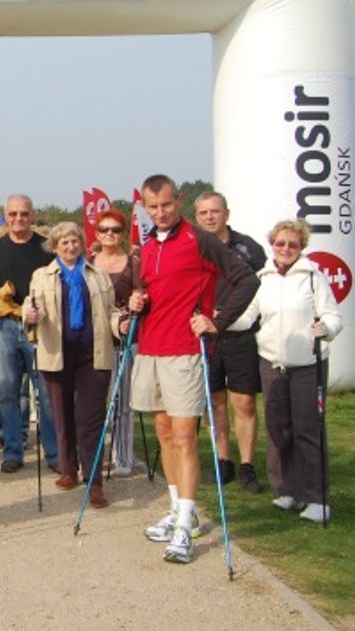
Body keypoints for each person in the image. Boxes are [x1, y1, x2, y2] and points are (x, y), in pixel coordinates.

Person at [128, 174, 258, 564]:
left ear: (178, 200)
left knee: (185, 437)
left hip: (185, 350)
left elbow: (245, 280)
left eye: (167, 204)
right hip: (150, 348)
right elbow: (153, 292)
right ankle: (177, 511)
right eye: (153, 207)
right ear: (145, 208)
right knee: (165, 433)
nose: (161, 213)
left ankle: (187, 525)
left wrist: (216, 320)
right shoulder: (148, 247)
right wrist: (138, 301)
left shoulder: (199, 239)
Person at [229, 220, 342, 523]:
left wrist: (327, 328)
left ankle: (317, 498)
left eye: (292, 244)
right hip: (271, 363)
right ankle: (286, 491)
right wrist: (218, 321)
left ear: (301, 247)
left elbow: (333, 314)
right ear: (272, 245)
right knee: (278, 429)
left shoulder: (313, 278)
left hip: (307, 364)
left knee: (308, 430)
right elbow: (246, 317)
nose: (285, 249)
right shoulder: (263, 278)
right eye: (280, 243)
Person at [26, 222, 120, 507]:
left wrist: (121, 325)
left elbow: (111, 311)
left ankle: (94, 481)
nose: (70, 247)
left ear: (81, 244)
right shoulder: (41, 276)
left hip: (94, 356)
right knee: (61, 415)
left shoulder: (98, 276)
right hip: (56, 355)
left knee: (90, 420)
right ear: (54, 246)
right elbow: (31, 307)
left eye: (74, 242)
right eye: (64, 243)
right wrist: (29, 316)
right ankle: (69, 469)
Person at [0, 194, 60, 474]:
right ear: (5, 216)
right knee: (7, 391)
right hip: (5, 326)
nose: (18, 219)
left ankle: (54, 453)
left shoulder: (45, 249)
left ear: (33, 215)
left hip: (39, 327)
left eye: (24, 214)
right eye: (13, 214)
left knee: (45, 392)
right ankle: (12, 449)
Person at [193, 191, 267, 493]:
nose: (210, 217)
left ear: (226, 213)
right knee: (216, 402)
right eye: (203, 213)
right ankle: (224, 461)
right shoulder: (192, 247)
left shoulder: (249, 248)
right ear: (197, 217)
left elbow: (258, 287)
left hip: (240, 334)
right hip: (207, 338)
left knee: (245, 402)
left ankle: (248, 465)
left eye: (215, 211)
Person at [90, 208, 138, 476]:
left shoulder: (133, 263)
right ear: (97, 233)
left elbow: (143, 292)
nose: (110, 234)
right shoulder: (89, 261)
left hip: (125, 339)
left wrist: (136, 302)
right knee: (94, 400)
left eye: (116, 230)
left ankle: (122, 455)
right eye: (105, 230)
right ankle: (92, 453)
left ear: (123, 234)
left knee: (123, 402)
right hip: (94, 339)